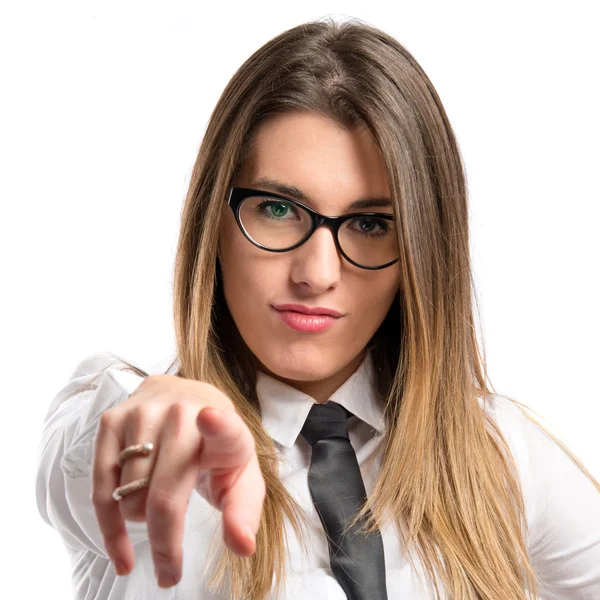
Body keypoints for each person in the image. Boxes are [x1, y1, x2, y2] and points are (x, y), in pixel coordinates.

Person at [35, 17, 600, 600]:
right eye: (278, 210)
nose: (317, 274)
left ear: (422, 255)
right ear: (215, 221)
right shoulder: (135, 431)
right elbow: (87, 458)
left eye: (370, 224)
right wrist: (153, 422)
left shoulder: (497, 455)